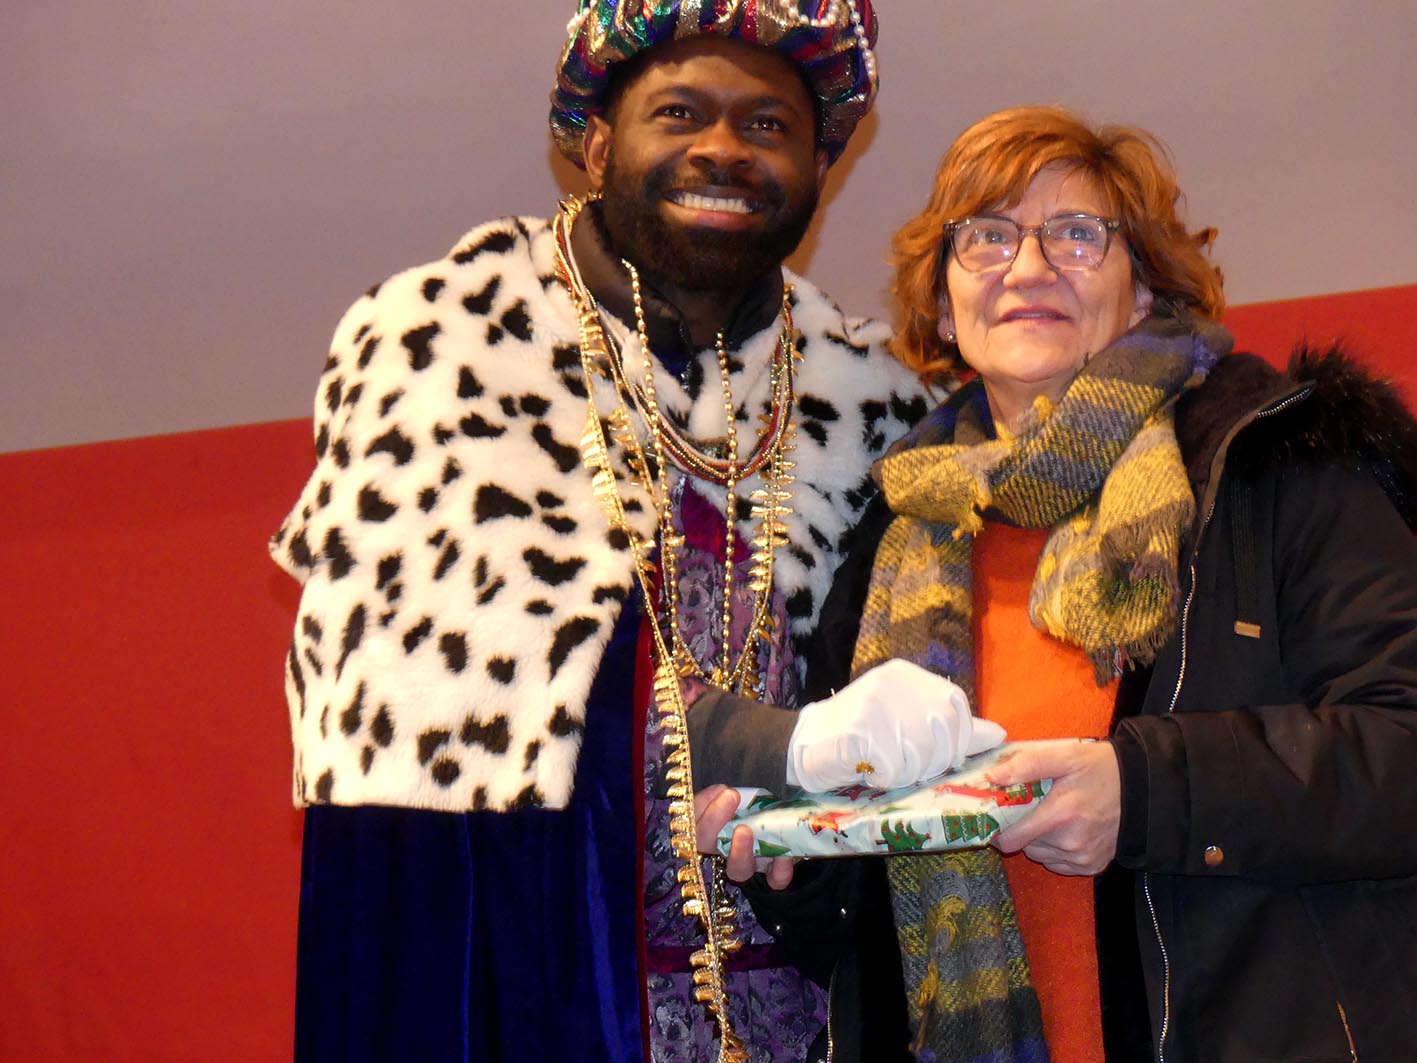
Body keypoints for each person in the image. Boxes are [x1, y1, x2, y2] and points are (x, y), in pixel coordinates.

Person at [267, 3, 946, 1061]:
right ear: (593, 146)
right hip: (523, 982)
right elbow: (453, 689)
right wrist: (772, 744)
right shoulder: (446, 342)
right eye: (678, 113)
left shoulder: (877, 405)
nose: (723, 148)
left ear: (819, 164)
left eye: (767, 125)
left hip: (808, 1008)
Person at [753, 105, 1417, 1063]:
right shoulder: (885, 541)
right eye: (986, 238)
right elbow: (865, 938)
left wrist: (1142, 792)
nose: (1027, 268)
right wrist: (789, 855)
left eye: (1076, 234)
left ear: (1141, 289)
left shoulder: (1274, 466)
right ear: (942, 305)